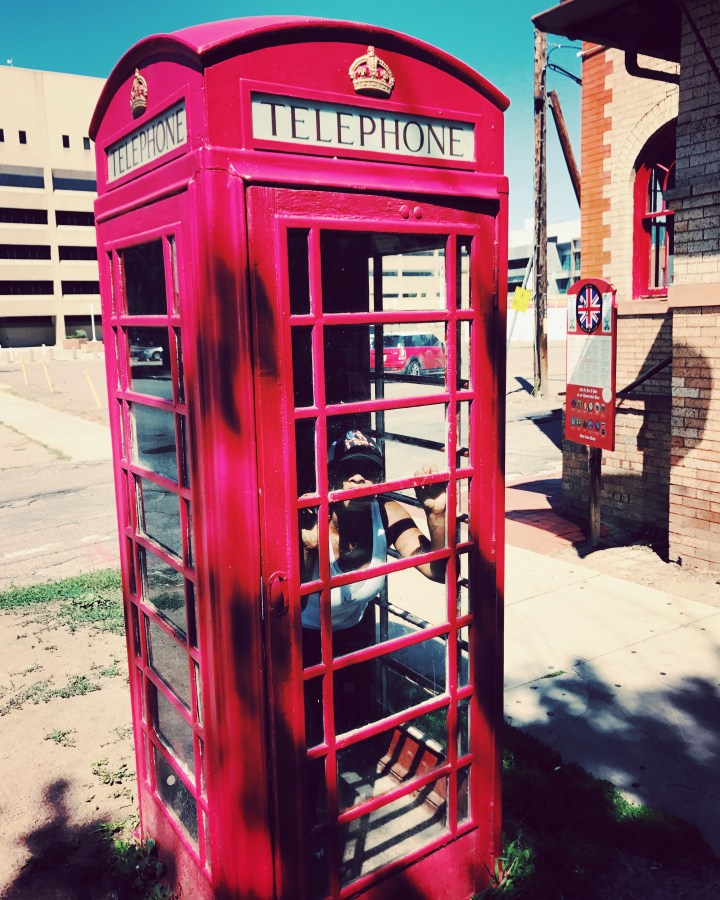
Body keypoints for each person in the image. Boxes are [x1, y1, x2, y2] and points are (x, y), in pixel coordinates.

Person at [300, 429, 446, 738]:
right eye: (346, 470)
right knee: (309, 738)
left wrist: (436, 516)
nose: (356, 479)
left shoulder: (387, 514)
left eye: (366, 471)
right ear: (329, 477)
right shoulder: (311, 521)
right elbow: (292, 602)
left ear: (377, 480)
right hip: (302, 643)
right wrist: (309, 549)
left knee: (355, 728)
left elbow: (437, 571)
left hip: (354, 638)